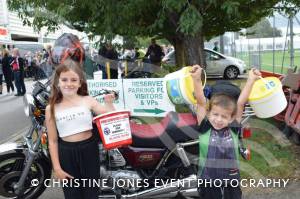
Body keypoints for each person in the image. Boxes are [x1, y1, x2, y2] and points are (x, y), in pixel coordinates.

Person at [45, 58, 116, 199]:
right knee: (72, 194)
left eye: (73, 80)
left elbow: (108, 114)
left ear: (80, 82)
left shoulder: (87, 100)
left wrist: (109, 102)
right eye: (64, 80)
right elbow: (52, 141)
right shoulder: (51, 108)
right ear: (58, 82)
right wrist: (57, 168)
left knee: (91, 192)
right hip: (66, 154)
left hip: (89, 150)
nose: (69, 84)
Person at [190, 65, 261, 199]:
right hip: (208, 181)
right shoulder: (205, 126)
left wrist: (251, 79)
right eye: (215, 114)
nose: (218, 119)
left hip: (231, 179)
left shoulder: (233, 128)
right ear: (208, 113)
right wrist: (196, 79)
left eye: (224, 116)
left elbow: (240, 103)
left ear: (231, 118)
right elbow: (200, 102)